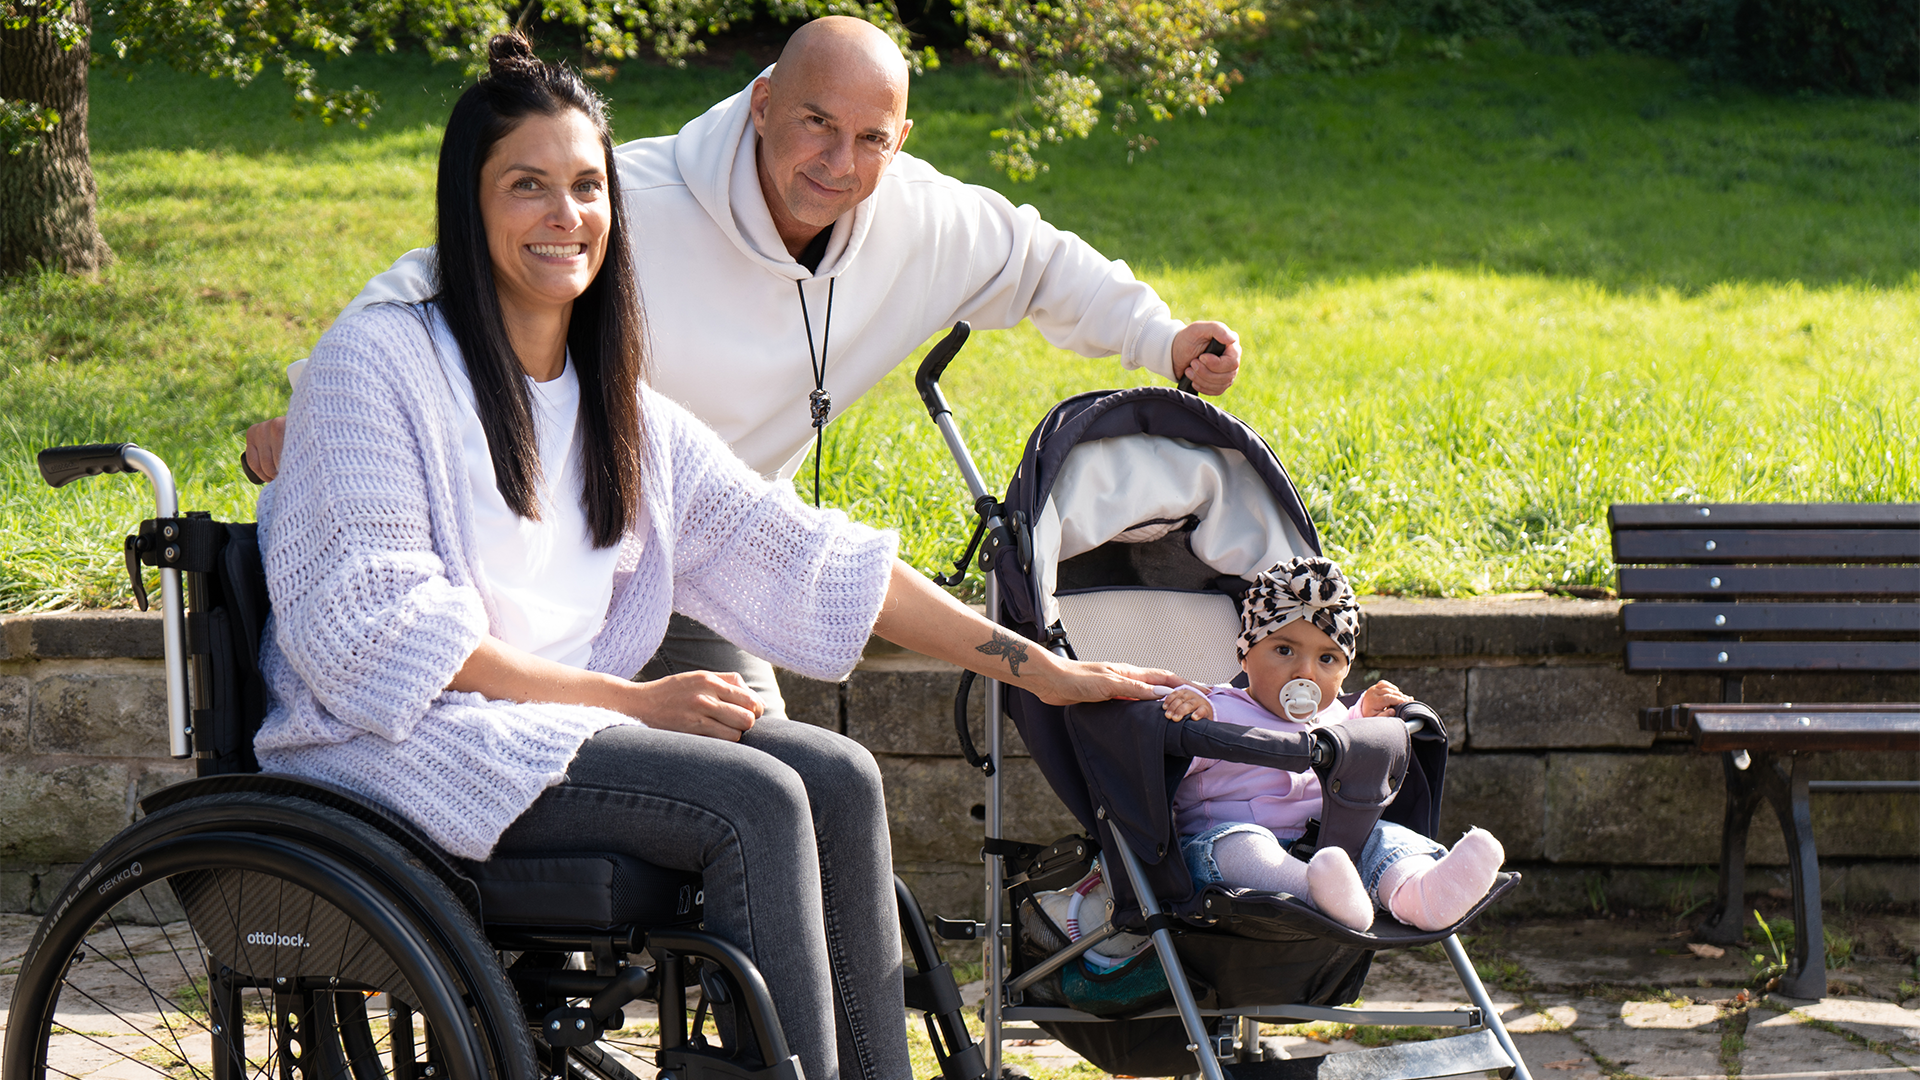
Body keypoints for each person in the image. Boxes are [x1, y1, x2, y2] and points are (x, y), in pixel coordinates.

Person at [258, 37, 1182, 1080]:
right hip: (396, 742)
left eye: (586, 186)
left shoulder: (613, 402)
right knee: (753, 797)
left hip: (547, 732)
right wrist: (626, 700)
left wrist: (1034, 666)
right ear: (466, 206)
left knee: (835, 772)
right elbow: (375, 628)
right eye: (529, 187)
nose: (567, 216)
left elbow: (807, 558)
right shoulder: (380, 360)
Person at [243, 15, 1247, 722]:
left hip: (718, 542)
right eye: (816, 122)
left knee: (788, 775)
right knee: (750, 806)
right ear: (764, 103)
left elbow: (1038, 263)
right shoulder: (619, 203)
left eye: (868, 140)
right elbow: (438, 273)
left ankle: (783, 1028)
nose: (837, 163)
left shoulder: (922, 218)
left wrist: (1159, 339)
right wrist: (320, 414)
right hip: (557, 558)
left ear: (900, 142)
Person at [1156, 556, 1506, 933]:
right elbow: (1164, 766)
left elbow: (1348, 750)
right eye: (1285, 650)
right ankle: (1314, 893)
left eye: (1326, 658)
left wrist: (1365, 720)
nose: (1305, 672)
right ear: (1244, 652)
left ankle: (1421, 892)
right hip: (1229, 847)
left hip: (1329, 847)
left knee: (1382, 837)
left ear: (1345, 672)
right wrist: (1184, 718)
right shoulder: (1217, 709)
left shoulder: (1335, 716)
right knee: (1241, 846)